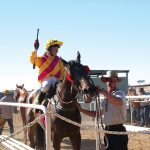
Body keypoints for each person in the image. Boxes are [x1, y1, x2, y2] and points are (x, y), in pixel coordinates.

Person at [76, 70, 128, 150]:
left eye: (115, 80)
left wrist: (103, 92)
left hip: (118, 130)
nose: (112, 82)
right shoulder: (105, 99)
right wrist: (81, 110)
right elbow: (97, 113)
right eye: (109, 80)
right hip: (107, 131)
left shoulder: (120, 93)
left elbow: (119, 102)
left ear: (117, 82)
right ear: (106, 81)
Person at [29, 39, 66, 113]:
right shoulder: (42, 59)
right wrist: (35, 49)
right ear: (49, 49)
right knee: (46, 86)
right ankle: (38, 102)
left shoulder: (58, 60)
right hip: (46, 80)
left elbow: (63, 71)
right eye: (55, 49)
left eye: (57, 49)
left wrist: (61, 79)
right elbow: (33, 60)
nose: (57, 51)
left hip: (57, 79)